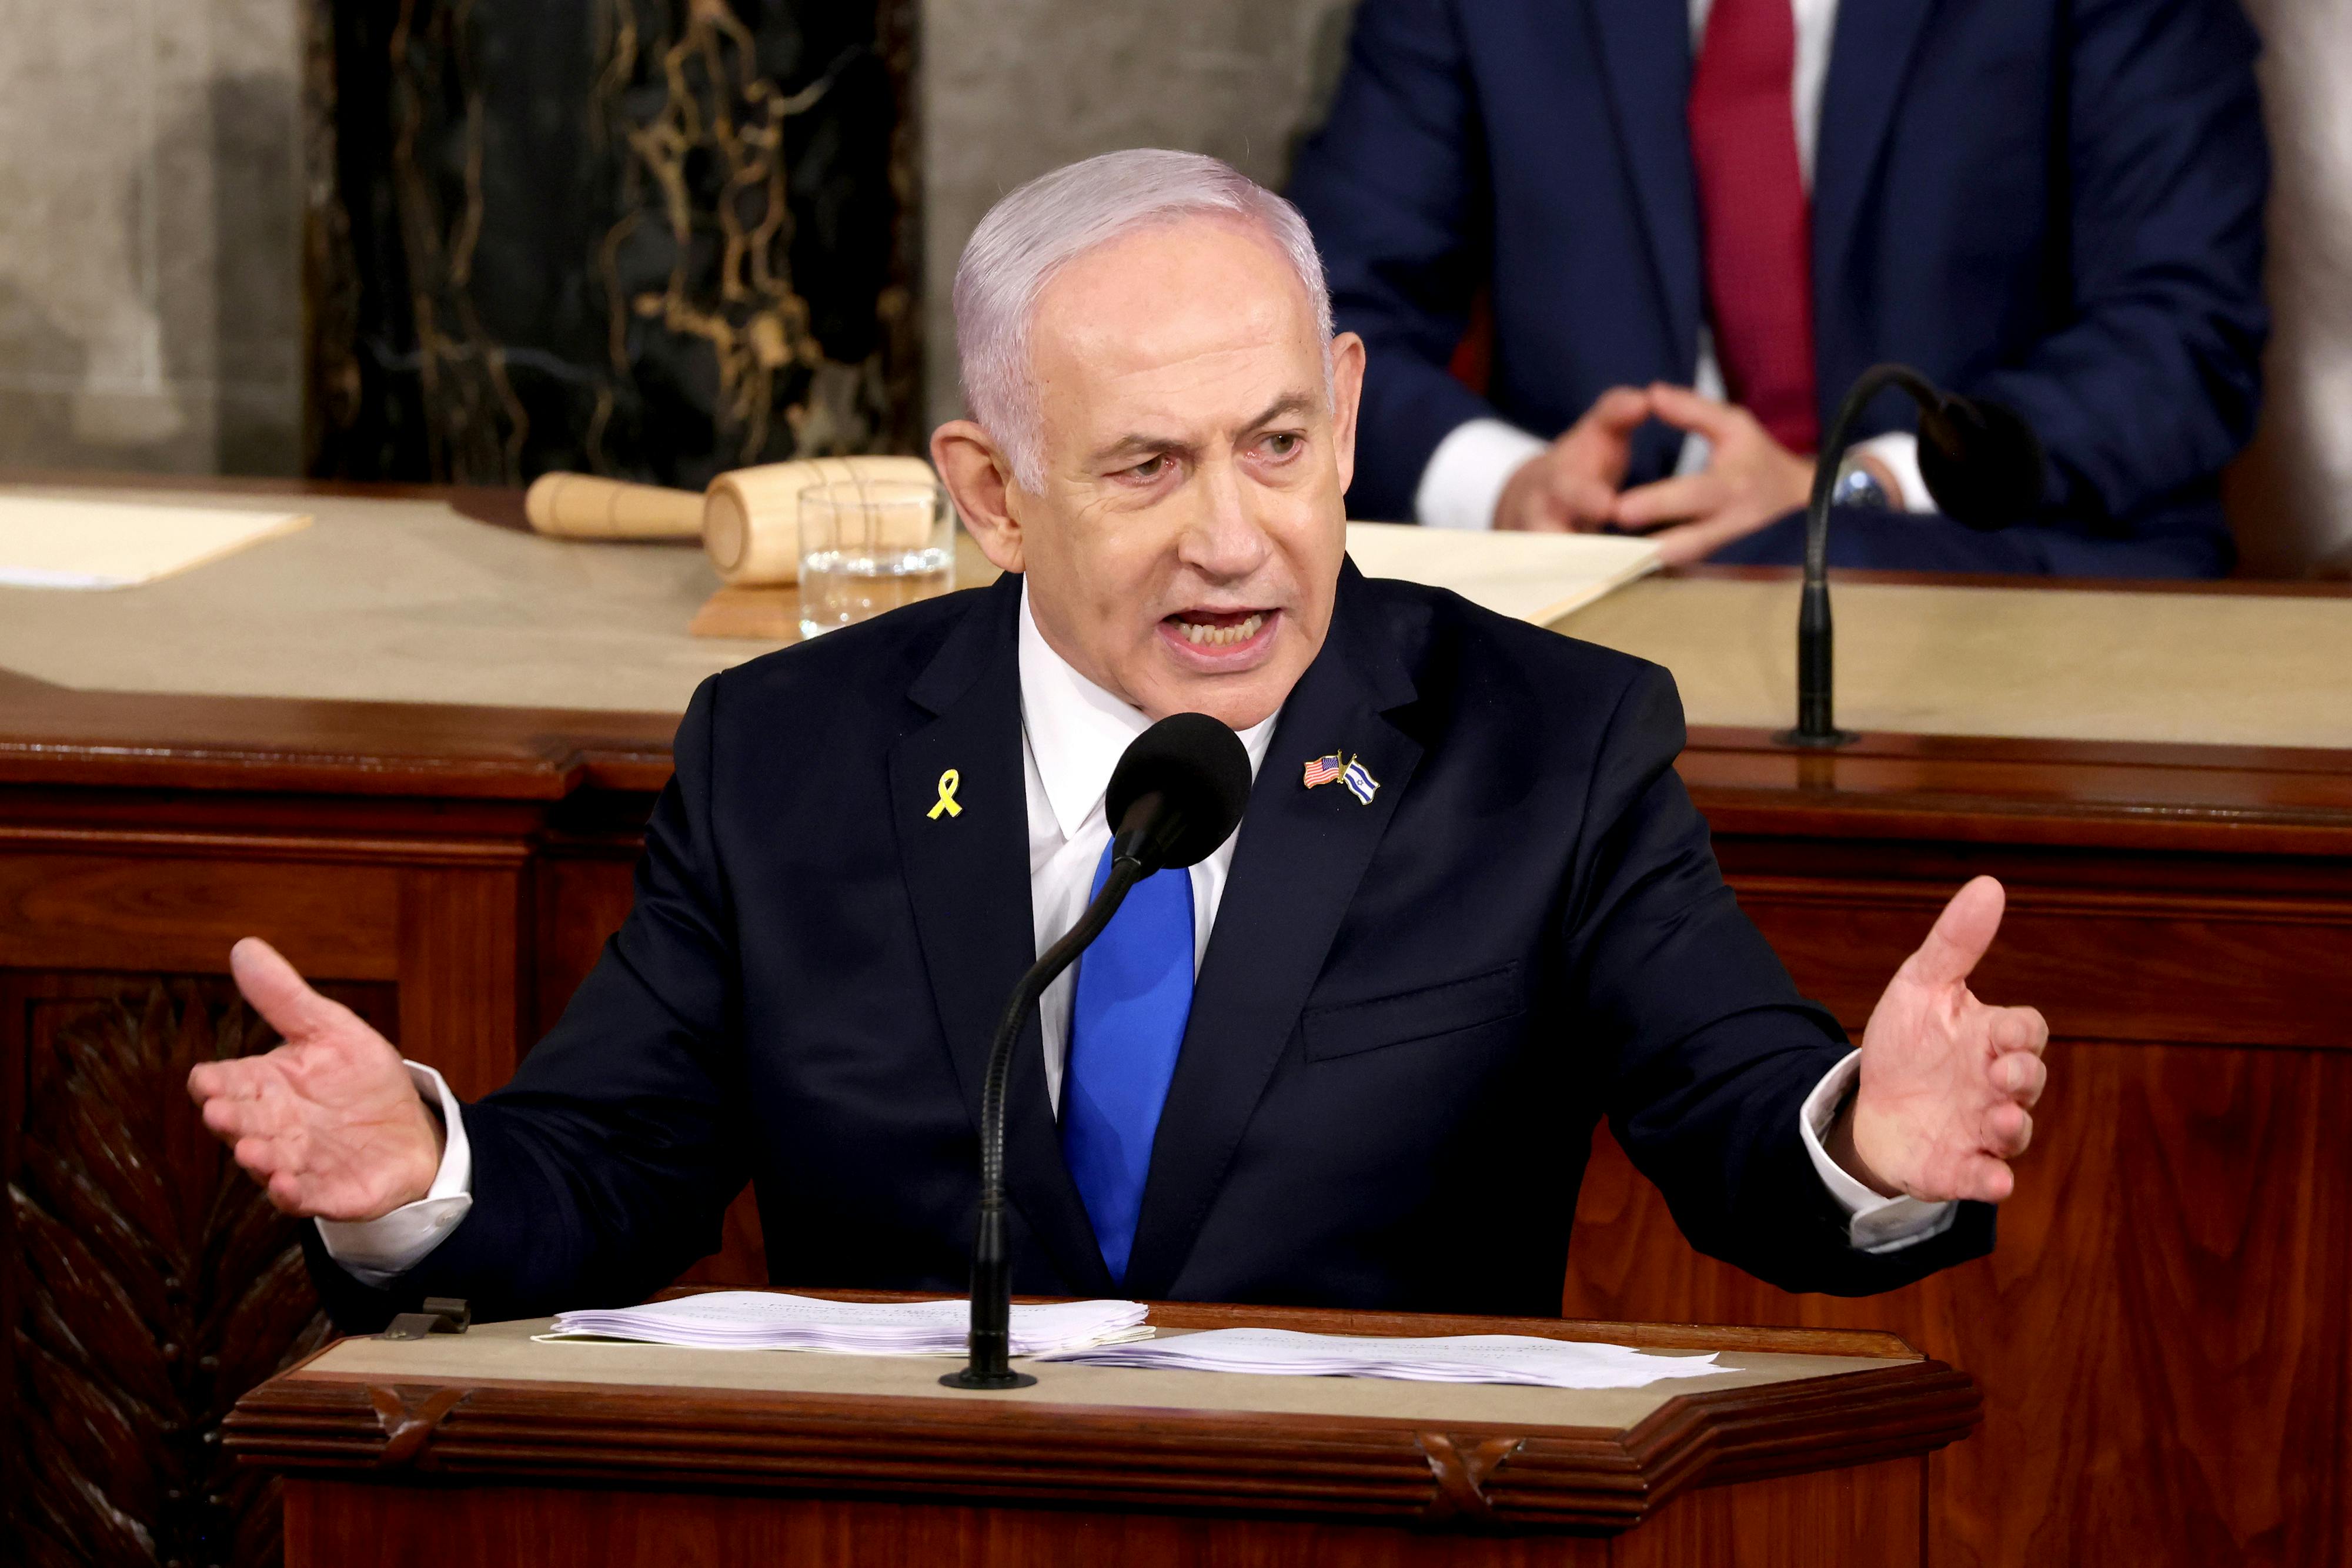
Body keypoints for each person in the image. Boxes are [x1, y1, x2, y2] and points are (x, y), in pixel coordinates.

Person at [188, 152, 2049, 1328]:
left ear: (1345, 411)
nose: (1232, 535)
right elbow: (603, 1168)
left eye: (1275, 445)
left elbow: (1742, 1118)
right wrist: (417, 1172)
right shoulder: (795, 753)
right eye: (1146, 467)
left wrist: (1866, 1140)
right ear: (992, 494)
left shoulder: (1540, 740)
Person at [1286, 0, 2271, 575]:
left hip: (2001, 572)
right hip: (1605, 604)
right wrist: (1511, 486)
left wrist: (1846, 486)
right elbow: (1324, 315)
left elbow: (2182, 335)